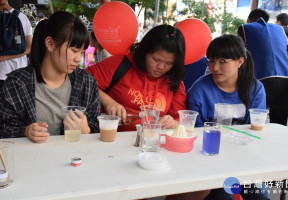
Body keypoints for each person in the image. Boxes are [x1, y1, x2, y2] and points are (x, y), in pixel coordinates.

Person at [173, 34, 267, 200]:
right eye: (211, 60)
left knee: (259, 196)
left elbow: (255, 131)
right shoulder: (199, 90)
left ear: (240, 61)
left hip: (244, 158)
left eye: (223, 61)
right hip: (209, 160)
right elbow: (195, 134)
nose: (214, 67)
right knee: (223, 196)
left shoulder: (255, 89)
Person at [0, 11, 101, 143]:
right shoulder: (16, 84)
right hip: (30, 161)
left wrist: (86, 130)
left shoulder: (87, 83)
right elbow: (4, 129)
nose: (78, 58)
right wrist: (25, 131)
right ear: (50, 44)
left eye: (81, 52)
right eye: (74, 51)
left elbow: (98, 126)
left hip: (76, 159)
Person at [86, 24, 186, 131]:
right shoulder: (120, 64)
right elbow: (82, 80)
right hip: (111, 139)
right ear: (144, 51)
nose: (160, 67)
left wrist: (173, 123)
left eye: (169, 63)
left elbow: (181, 120)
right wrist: (108, 102)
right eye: (156, 60)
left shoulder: (174, 81)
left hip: (150, 142)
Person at [238, 9, 288, 126]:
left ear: (249, 20)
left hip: (263, 78)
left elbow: (239, 54)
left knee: (253, 122)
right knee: (279, 124)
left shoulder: (245, 28)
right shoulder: (280, 29)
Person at [0, 0, 32, 89]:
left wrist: (3, 57)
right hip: (19, 71)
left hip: (16, 73)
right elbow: (29, 48)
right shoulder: (22, 17)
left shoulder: (23, 18)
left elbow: (29, 48)